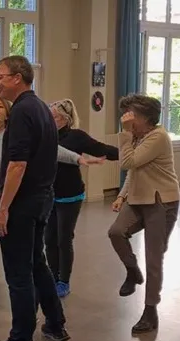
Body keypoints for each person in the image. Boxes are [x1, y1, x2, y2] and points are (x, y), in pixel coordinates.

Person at [0, 95, 86, 312]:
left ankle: (27, 301)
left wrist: (77, 158)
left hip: (10, 202)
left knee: (16, 255)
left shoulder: (14, 137)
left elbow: (52, 149)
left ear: (7, 113)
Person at [0, 55, 70, 341]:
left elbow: (18, 165)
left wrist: (3, 209)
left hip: (23, 203)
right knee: (36, 262)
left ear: (17, 77)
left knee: (18, 273)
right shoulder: (43, 109)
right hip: (42, 198)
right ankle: (56, 324)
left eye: (1, 76)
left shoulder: (21, 112)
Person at [108, 94, 180, 334]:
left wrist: (125, 134)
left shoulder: (158, 137)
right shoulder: (137, 137)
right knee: (116, 232)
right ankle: (132, 271)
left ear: (147, 118)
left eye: (132, 116)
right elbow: (133, 171)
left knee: (154, 259)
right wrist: (121, 195)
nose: (127, 119)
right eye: (125, 114)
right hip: (138, 199)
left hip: (161, 202)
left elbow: (128, 162)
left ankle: (150, 312)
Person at [47, 99, 118, 298]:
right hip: (49, 194)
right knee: (49, 239)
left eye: (54, 116)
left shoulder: (76, 136)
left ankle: (64, 281)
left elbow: (101, 148)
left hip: (70, 195)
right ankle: (52, 277)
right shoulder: (45, 135)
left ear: (65, 119)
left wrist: (128, 155)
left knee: (63, 238)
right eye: (49, 116)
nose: (51, 120)